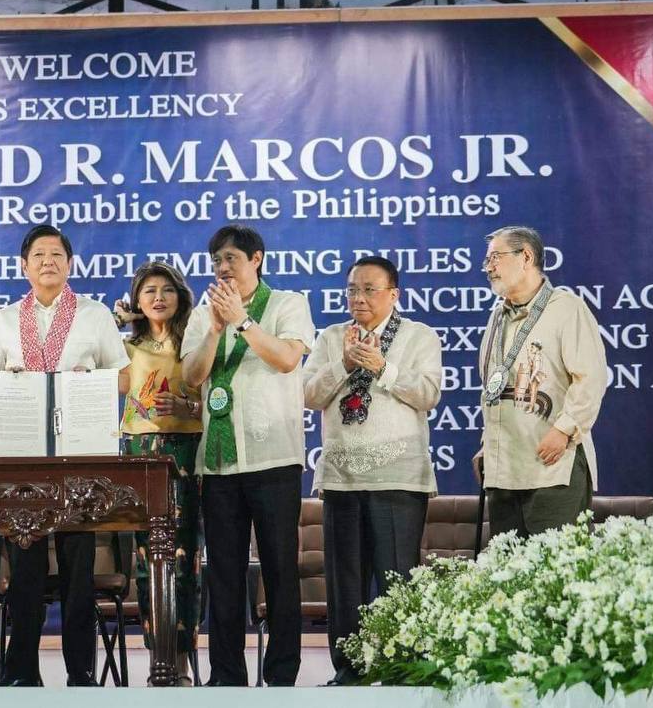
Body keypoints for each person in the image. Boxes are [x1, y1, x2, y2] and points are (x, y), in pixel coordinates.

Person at [0, 224, 130, 687]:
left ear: (70, 263)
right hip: (22, 462)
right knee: (25, 574)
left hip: (79, 460)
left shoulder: (94, 315)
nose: (48, 262)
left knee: (79, 575)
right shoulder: (3, 320)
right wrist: (8, 384)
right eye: (38, 255)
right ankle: (21, 673)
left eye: (56, 254)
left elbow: (124, 379)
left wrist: (87, 382)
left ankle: (81, 673)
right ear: (24, 266)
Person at [180, 223, 314, 687]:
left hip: (273, 457)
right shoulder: (203, 313)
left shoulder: (287, 303)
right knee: (223, 572)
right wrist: (215, 330)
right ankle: (227, 675)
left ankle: (281, 676)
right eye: (217, 260)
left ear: (256, 259)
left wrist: (241, 320)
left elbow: (286, 359)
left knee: (279, 568)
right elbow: (191, 377)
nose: (223, 267)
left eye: (231, 259)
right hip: (219, 464)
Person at [302, 255, 442, 685]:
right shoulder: (331, 337)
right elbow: (308, 394)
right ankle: (350, 671)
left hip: (398, 477)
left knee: (398, 580)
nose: (358, 298)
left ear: (393, 294)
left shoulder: (418, 335)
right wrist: (344, 364)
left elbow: (428, 394)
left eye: (369, 289)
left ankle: (404, 671)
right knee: (345, 583)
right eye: (352, 290)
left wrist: (383, 367)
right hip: (341, 478)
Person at [474, 226, 607, 539]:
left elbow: (591, 378)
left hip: (553, 468)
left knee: (557, 565)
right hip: (503, 472)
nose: (488, 267)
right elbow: (493, 388)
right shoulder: (497, 317)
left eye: (495, 257)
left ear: (526, 257)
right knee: (509, 568)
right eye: (487, 260)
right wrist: (488, 445)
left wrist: (564, 429)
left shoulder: (567, 309)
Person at [114, 261, 203, 686]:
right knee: (147, 562)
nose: (158, 298)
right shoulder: (126, 348)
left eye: (167, 289)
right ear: (137, 301)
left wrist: (186, 407)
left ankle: (181, 663)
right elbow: (94, 374)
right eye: (148, 291)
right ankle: (157, 662)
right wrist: (113, 325)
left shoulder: (195, 343)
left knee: (183, 560)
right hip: (138, 454)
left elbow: (215, 400)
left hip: (184, 452)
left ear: (180, 297)